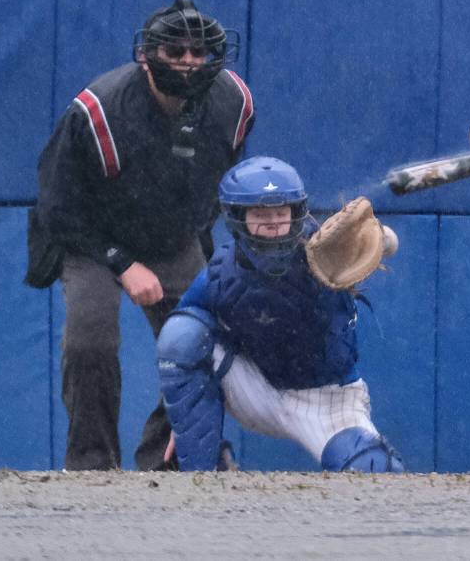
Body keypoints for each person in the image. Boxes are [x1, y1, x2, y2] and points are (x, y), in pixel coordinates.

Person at [28, 0, 256, 471]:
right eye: (176, 52)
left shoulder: (234, 104)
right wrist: (123, 263)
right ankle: (92, 464)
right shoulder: (98, 109)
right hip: (90, 237)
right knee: (90, 341)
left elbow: (216, 181)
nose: (189, 63)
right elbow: (57, 205)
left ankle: (169, 458)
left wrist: (206, 245)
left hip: (173, 236)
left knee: (207, 342)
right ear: (147, 56)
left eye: (199, 52)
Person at [155, 156, 405, 472]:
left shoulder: (325, 254)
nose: (273, 222)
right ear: (236, 217)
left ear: (296, 213)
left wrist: (373, 242)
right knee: (181, 336)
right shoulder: (222, 272)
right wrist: (188, 421)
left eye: (280, 212)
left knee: (372, 471)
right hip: (257, 388)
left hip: (327, 400)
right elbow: (181, 348)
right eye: (260, 213)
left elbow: (379, 246)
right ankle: (203, 476)